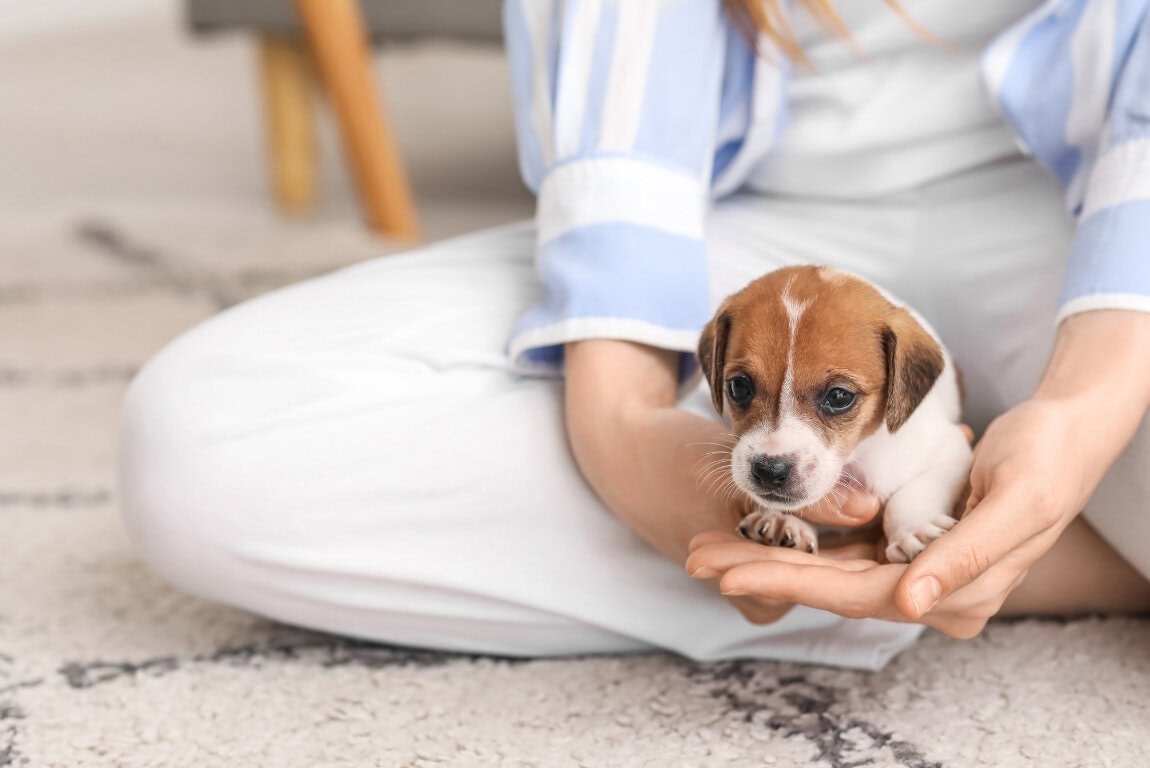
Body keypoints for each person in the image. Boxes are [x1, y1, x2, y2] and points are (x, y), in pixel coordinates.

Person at [118, 0, 1150, 670]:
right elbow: (622, 105)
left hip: (1083, 215)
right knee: (201, 447)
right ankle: (1037, 557)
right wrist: (620, 434)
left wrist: (1079, 411)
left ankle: (1004, 547)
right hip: (729, 212)